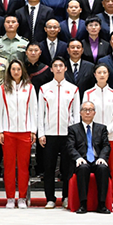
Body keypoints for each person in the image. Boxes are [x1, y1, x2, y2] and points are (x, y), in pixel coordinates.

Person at [37, 57, 81, 208]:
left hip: (67, 134)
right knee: (49, 168)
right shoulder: (44, 89)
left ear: (65, 68)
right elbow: (40, 113)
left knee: (67, 168)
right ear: (51, 69)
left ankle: (66, 196)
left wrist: (76, 135)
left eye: (61, 65)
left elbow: (76, 113)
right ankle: (50, 198)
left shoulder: (73, 89)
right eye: (55, 66)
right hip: (49, 134)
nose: (58, 68)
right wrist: (41, 133)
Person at [0, 60, 37, 209]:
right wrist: (0, 131)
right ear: (9, 71)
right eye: (13, 69)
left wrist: (33, 130)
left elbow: (34, 110)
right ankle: (10, 197)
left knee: (23, 166)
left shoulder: (30, 88)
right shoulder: (3, 88)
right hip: (8, 132)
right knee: (9, 166)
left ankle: (22, 198)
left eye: (18, 69)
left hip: (25, 132)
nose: (16, 72)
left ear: (22, 71)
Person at [83, 63, 113, 206]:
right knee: (93, 168)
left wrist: (107, 130)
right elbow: (86, 114)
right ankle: (93, 197)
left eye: (104, 72)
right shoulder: (88, 94)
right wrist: (96, 132)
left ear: (108, 75)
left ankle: (111, 198)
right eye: (99, 72)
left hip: (111, 137)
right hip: (91, 137)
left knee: (111, 168)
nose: (102, 75)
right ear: (94, 75)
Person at [67, 101, 111, 214]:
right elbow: (70, 147)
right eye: (85, 110)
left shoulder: (101, 128)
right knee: (83, 168)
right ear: (80, 112)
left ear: (94, 113)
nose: (87, 112)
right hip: (82, 160)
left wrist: (102, 157)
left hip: (97, 159)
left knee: (103, 168)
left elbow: (106, 146)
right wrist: (78, 158)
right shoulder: (73, 129)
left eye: (90, 110)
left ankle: (102, 204)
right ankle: (83, 204)